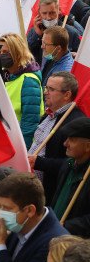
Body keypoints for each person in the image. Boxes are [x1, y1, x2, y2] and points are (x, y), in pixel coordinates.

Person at [30, 72, 86, 203]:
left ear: (67, 95)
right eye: (46, 87)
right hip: (32, 187)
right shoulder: (48, 115)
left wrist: (39, 162)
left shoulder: (75, 122)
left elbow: (73, 164)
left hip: (49, 193)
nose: (45, 92)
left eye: (51, 89)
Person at [0, 32, 44, 147]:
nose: (1, 55)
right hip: (7, 138)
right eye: (0, 52)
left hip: (18, 143)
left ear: (17, 52)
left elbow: (30, 122)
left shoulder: (29, 80)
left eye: (6, 52)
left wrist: (23, 149)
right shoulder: (6, 75)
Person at [50, 118, 90, 236]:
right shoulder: (67, 165)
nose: (65, 143)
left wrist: (66, 226)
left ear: (88, 146)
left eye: (71, 140)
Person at [27, 0, 83, 64]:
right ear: (39, 13)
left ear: (59, 10)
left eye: (52, 13)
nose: (48, 17)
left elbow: (80, 60)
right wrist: (37, 35)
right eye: (44, 13)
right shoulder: (34, 32)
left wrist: (68, 55)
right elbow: (26, 55)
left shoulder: (72, 33)